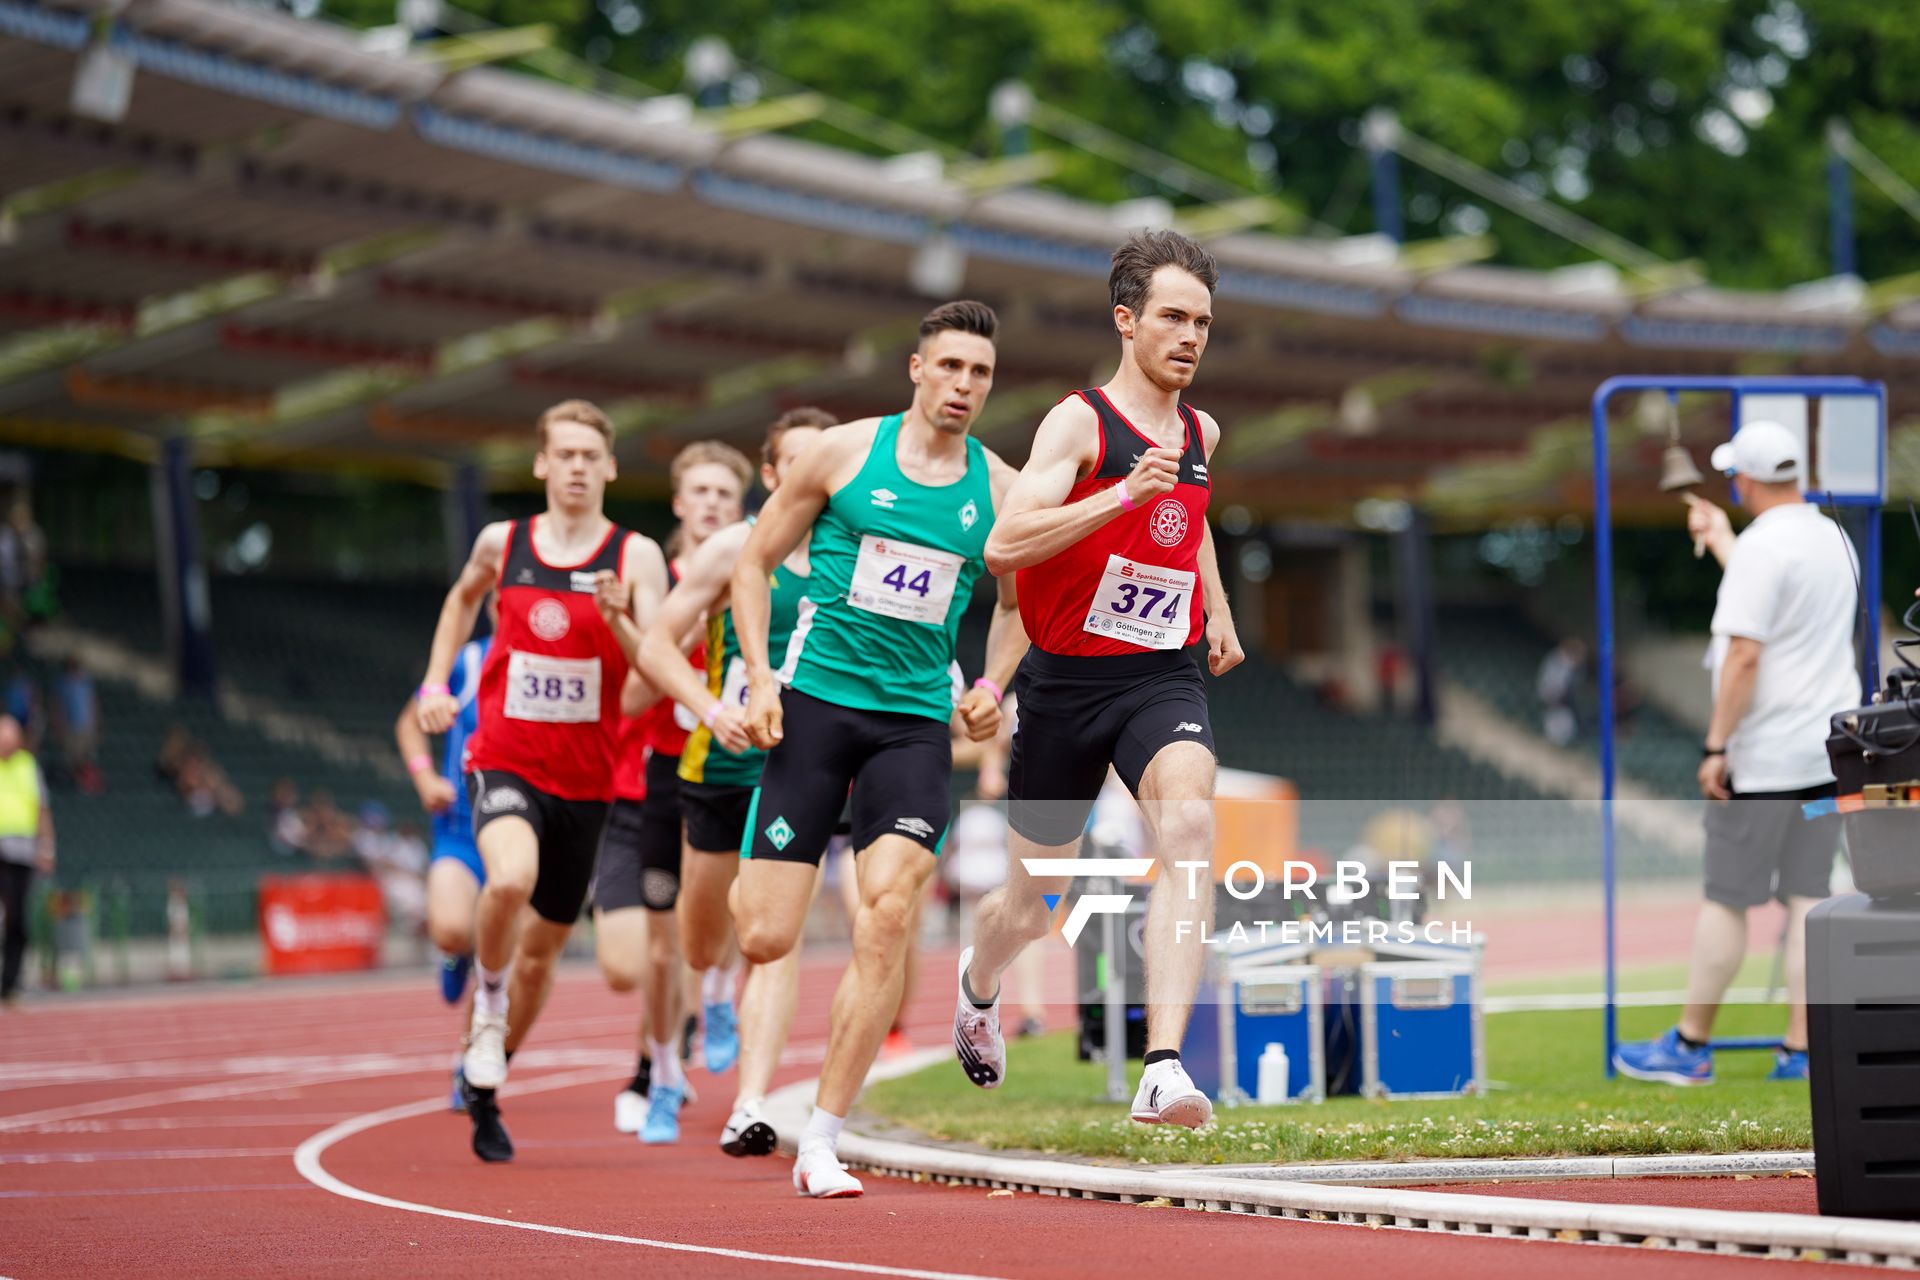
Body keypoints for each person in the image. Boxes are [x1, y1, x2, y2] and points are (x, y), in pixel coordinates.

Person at [728, 300, 1026, 1197]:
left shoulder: (1002, 490)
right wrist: (759, 674)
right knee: (765, 933)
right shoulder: (840, 454)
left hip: (911, 725)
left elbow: (1017, 611)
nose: (963, 387)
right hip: (814, 708)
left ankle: (823, 1136)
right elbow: (752, 562)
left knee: (887, 914)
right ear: (916, 369)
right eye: (949, 368)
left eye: (979, 373)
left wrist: (988, 688)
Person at [954, 229, 1244, 1130]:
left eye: (1202, 321)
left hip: (1159, 674)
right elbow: (1005, 544)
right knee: (1037, 904)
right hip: (1064, 687)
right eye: (1171, 317)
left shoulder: (1202, 428)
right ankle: (979, 981)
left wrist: (1217, 601)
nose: (1190, 336)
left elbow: (1187, 518)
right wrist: (1118, 493)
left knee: (1191, 822)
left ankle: (1162, 1068)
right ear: (1126, 321)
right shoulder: (1079, 422)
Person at [416, 399, 668, 1162]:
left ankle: (486, 1087)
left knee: (542, 953)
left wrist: (622, 620)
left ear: (610, 467)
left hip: (589, 783)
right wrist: (435, 684)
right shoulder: (504, 542)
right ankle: (484, 1006)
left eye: (591, 456)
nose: (578, 468)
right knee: (507, 881)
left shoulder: (636, 557)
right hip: (505, 758)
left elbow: (653, 668)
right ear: (541, 464)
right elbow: (461, 600)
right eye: (564, 455)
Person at [617, 407, 833, 1159]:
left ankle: (749, 1102)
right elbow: (652, 653)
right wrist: (713, 707)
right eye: (798, 462)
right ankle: (699, 1014)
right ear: (771, 476)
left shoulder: (855, 552)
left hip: (800, 771)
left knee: (774, 934)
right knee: (698, 941)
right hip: (716, 766)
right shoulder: (731, 552)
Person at [1615, 419, 1857, 1086]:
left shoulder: (1762, 550)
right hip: (1825, 758)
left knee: (1728, 898)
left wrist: (1716, 745)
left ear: (1743, 479)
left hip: (1766, 760)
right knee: (1811, 898)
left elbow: (1747, 652)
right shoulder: (1831, 537)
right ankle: (1800, 1052)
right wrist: (1727, 542)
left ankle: (1690, 1046)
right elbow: (1783, 615)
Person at [592, 439, 750, 1144]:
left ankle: (704, 1016)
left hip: (741, 765)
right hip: (661, 774)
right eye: (702, 492)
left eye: (727, 493)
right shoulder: (665, 588)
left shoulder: (760, 575)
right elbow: (630, 694)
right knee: (651, 955)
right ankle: (660, 1068)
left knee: (742, 913)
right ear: (680, 504)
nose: (713, 504)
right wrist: (630, 627)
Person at [394, 601, 493, 1026]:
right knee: (453, 930)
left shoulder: (562, 665)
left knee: (504, 956)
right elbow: (409, 722)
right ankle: (458, 951)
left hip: (533, 830)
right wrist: (425, 778)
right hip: (462, 828)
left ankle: (471, 1059)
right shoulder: (469, 660)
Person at [0, 714, 52, 1008]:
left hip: (22, 853)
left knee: (18, 919)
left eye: (9, 735)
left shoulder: (27, 766)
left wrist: (46, 847)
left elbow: (42, 809)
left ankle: (9, 985)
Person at [51, 659, 101, 793]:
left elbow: (93, 703)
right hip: (70, 726)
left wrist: (95, 723)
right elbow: (58, 706)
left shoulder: (86, 682)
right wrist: (58, 725)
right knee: (72, 758)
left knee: (85, 756)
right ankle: (74, 783)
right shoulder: (63, 683)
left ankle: (86, 783)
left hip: (85, 726)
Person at [1536, 637, 1585, 747]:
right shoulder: (1557, 660)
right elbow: (1550, 683)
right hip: (1551, 695)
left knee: (1566, 722)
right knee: (1559, 722)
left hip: (1559, 700)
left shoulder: (1570, 666)